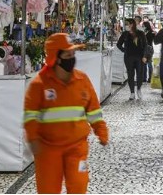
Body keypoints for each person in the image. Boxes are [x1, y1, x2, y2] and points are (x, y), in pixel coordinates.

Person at [24, 33, 108, 194]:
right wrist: (33, 139)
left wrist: (101, 131)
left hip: (76, 147)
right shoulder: (39, 84)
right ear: (55, 57)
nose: (72, 58)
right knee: (48, 190)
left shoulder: (82, 80)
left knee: (79, 186)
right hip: (47, 150)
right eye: (67, 54)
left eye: (73, 54)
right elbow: (30, 115)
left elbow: (94, 110)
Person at [117, 19, 148, 100]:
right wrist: (124, 50)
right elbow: (118, 44)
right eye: (127, 24)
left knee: (140, 74)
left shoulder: (140, 33)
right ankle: (132, 92)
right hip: (129, 57)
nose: (128, 26)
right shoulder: (125, 34)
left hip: (139, 57)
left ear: (133, 24)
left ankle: (138, 90)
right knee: (130, 75)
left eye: (129, 24)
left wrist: (144, 56)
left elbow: (145, 45)